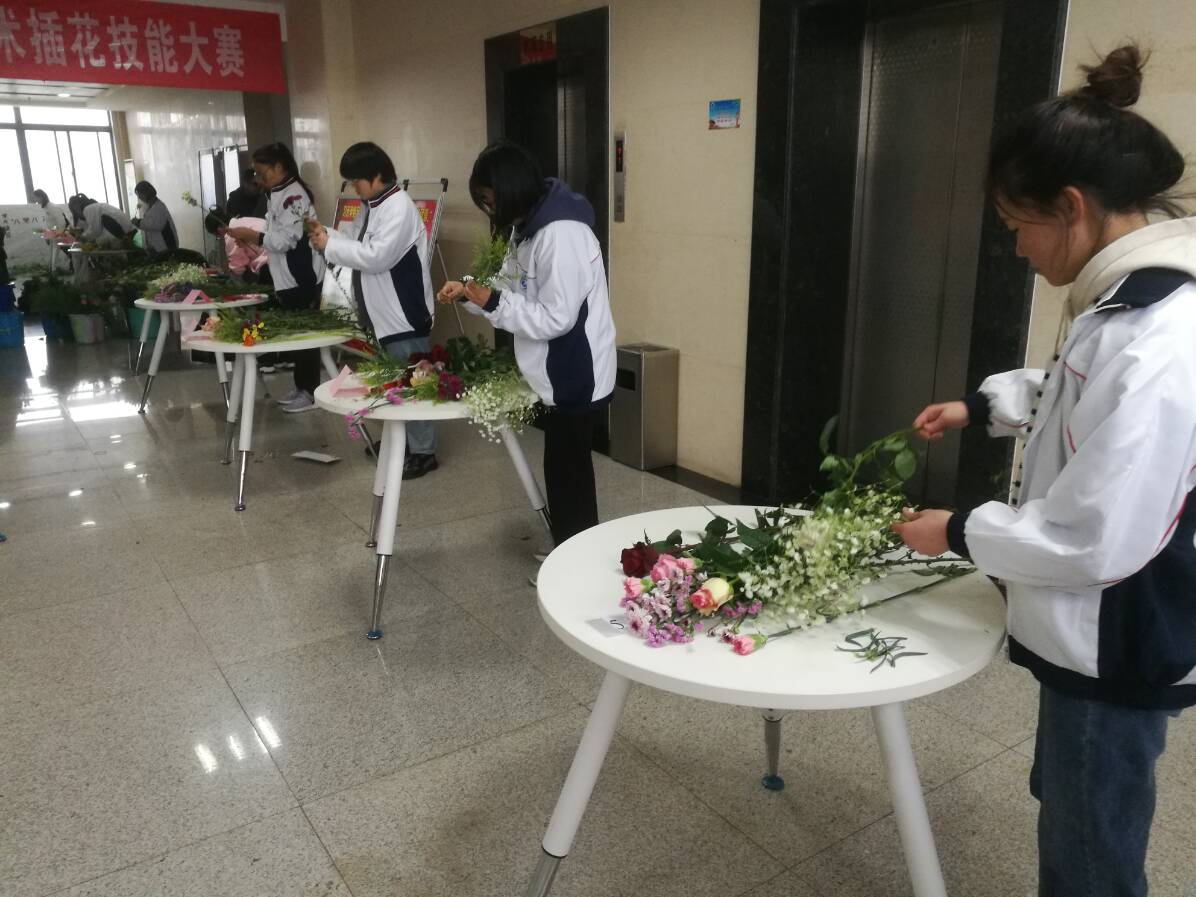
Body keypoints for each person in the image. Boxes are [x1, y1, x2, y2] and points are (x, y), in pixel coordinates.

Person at [891, 46, 1196, 897]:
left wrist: (957, 530)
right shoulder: (1127, 301)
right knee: (1077, 804)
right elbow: (1077, 392)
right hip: (1097, 625)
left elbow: (1095, 536)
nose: (1018, 248)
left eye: (1016, 224)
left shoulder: (1164, 335)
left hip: (1118, 636)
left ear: (1071, 206)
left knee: (1090, 851)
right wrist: (981, 406)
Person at [437, 141, 616, 546]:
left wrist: (492, 301)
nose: (488, 209)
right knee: (563, 470)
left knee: (569, 475)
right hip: (558, 370)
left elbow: (557, 318)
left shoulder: (560, 235)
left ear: (511, 189)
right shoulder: (528, 226)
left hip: (576, 370)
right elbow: (508, 286)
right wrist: (470, 292)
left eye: (488, 199)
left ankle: (574, 562)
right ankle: (570, 554)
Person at [310, 141, 439, 479]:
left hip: (402, 313)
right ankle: (402, 440)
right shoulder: (373, 205)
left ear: (377, 175)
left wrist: (330, 246)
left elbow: (376, 257)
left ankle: (423, 451)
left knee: (414, 382)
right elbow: (354, 240)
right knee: (393, 380)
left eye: (357, 181)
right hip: (382, 313)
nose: (354, 188)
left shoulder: (398, 207)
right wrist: (327, 235)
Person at [220, 143, 326, 412]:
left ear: (279, 167)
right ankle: (302, 387)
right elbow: (273, 233)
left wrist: (253, 236)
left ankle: (310, 392)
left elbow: (288, 239)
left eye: (261, 172)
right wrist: (251, 239)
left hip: (301, 274)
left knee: (306, 337)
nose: (258, 178)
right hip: (287, 274)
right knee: (297, 334)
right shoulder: (276, 193)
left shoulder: (293, 196)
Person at [132, 181, 178, 254]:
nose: (139, 197)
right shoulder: (151, 206)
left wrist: (138, 222)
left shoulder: (158, 207)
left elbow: (155, 224)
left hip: (166, 246)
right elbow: (150, 222)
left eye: (139, 194)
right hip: (159, 246)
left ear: (146, 193)